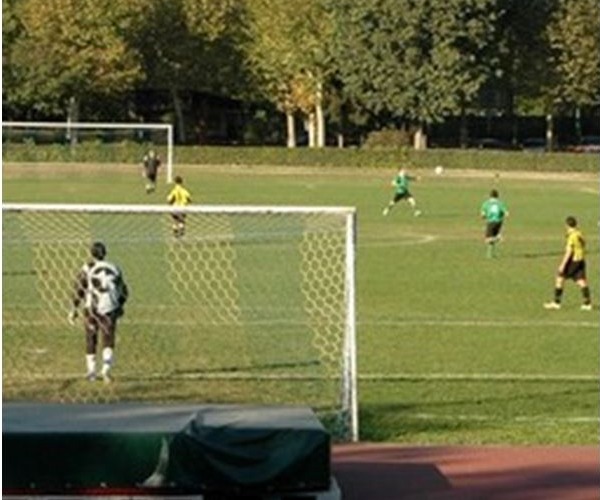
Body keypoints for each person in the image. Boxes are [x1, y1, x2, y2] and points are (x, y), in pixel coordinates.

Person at [68, 242, 129, 382]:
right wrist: (120, 305)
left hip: (92, 309)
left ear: (91, 253)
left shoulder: (88, 268)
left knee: (91, 338)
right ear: (105, 253)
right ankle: (106, 371)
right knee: (108, 339)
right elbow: (124, 291)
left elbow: (79, 289)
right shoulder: (115, 268)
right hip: (110, 308)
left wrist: (73, 309)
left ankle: (91, 372)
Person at [544, 216, 592, 311]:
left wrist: (562, 264)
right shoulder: (579, 233)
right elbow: (583, 244)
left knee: (560, 278)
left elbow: (569, 251)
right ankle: (587, 303)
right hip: (581, 259)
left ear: (567, 225)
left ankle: (556, 302)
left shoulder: (572, 236)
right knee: (581, 280)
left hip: (573, 260)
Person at [480, 189, 509, 258]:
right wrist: (502, 218)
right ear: (497, 196)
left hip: (490, 222)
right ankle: (490, 255)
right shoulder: (500, 203)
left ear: (490, 196)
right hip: (499, 222)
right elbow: (506, 213)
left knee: (487, 240)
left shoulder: (486, 203)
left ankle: (498, 238)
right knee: (491, 240)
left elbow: (483, 214)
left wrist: (484, 217)